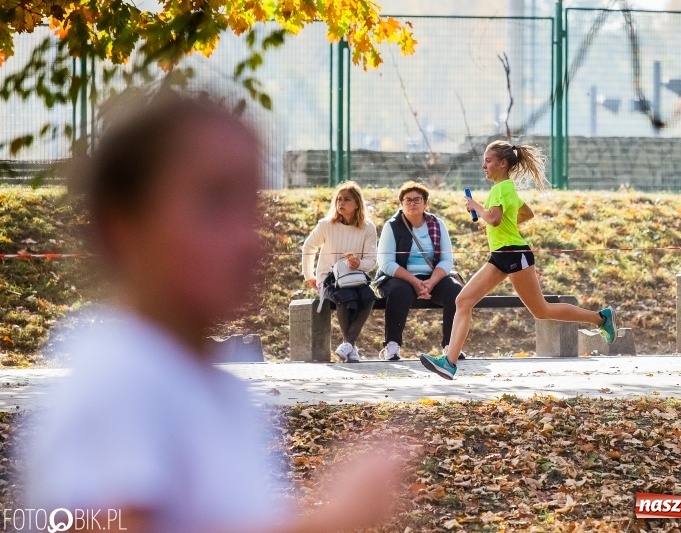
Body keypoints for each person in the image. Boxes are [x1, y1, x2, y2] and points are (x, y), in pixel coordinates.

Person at [21, 91, 403, 533]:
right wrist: (333, 519)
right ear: (122, 224)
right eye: (214, 203)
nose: (249, 237)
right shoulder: (120, 377)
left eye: (251, 203)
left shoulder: (210, 386)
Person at [420, 140, 617, 380]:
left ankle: (601, 318)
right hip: (502, 254)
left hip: (514, 253)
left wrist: (476, 207)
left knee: (541, 310)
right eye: (484, 160)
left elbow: (492, 218)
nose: (484, 165)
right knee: (463, 301)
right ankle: (450, 362)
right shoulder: (506, 189)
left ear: (503, 163)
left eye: (488, 160)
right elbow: (525, 213)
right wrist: (502, 225)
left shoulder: (502, 188)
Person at [375, 181, 463, 361]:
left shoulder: (437, 224)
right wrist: (415, 282)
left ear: (425, 203)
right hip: (399, 277)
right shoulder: (392, 226)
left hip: (433, 277)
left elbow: (447, 260)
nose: (412, 203)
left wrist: (431, 282)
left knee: (455, 292)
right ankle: (392, 346)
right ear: (401, 204)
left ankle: (450, 346)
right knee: (400, 291)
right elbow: (386, 263)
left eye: (417, 200)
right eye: (408, 200)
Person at [302, 181, 377, 363]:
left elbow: (371, 261)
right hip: (330, 279)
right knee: (346, 297)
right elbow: (308, 247)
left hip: (356, 277)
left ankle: (348, 344)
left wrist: (358, 263)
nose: (341, 203)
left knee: (369, 297)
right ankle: (350, 345)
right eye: (338, 199)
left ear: (357, 204)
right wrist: (309, 276)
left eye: (346, 200)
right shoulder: (326, 225)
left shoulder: (368, 228)